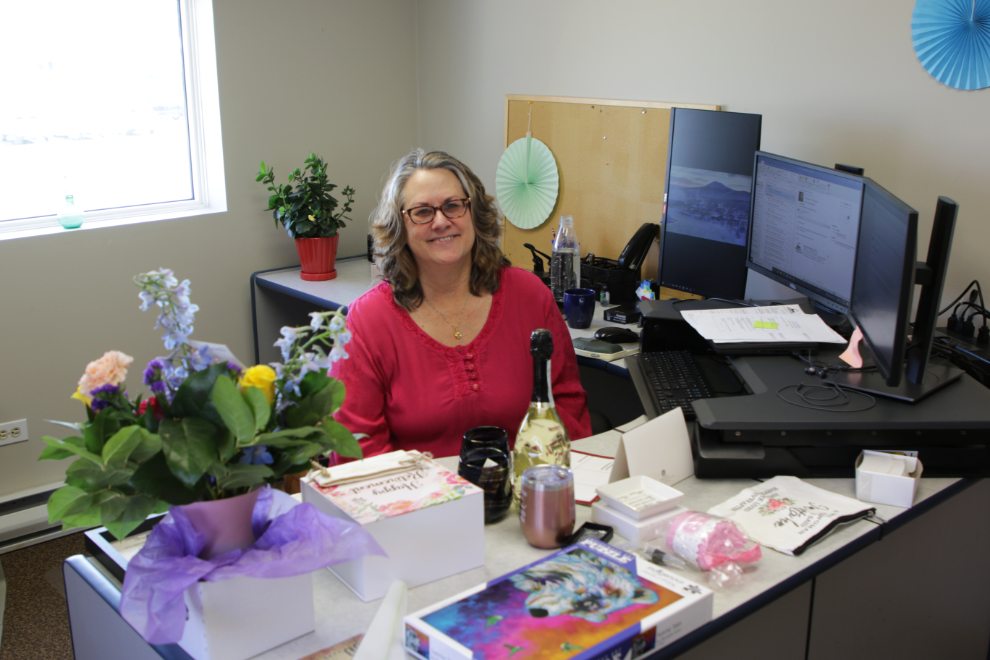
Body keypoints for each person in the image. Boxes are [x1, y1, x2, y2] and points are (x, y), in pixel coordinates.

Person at [330, 149, 592, 459]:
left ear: (474, 214)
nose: (441, 221)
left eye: (453, 206)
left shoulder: (529, 295)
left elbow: (567, 404)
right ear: (400, 227)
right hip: (418, 502)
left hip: (524, 490)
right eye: (423, 212)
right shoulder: (367, 321)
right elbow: (356, 447)